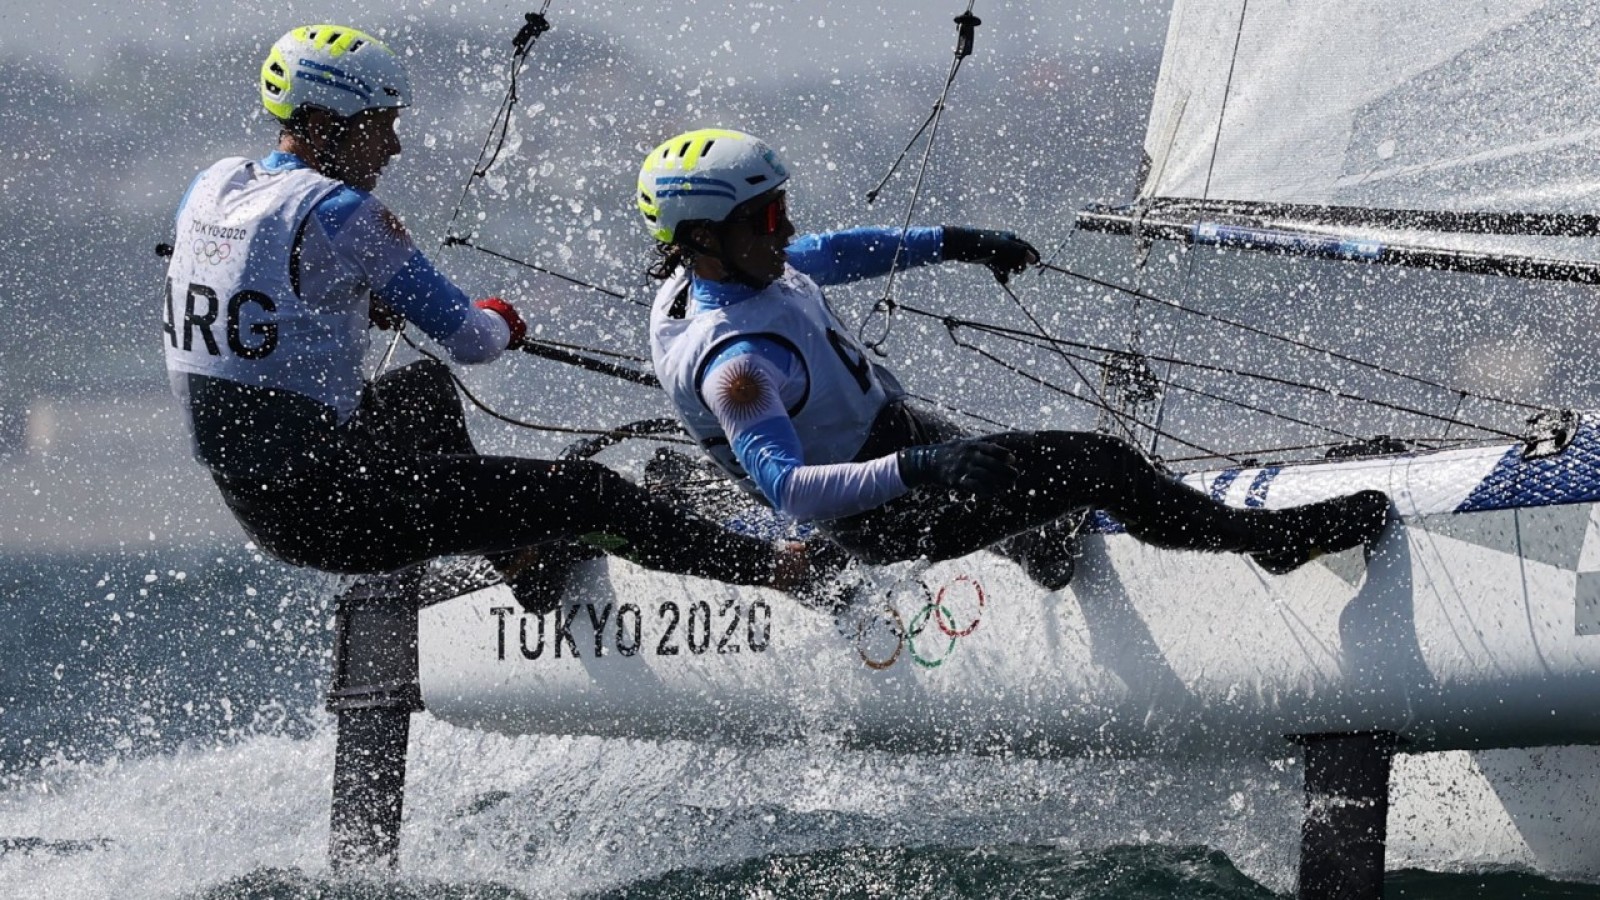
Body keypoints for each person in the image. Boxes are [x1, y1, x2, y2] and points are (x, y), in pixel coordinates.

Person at [161, 27, 836, 609]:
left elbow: (242, 288)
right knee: (588, 490)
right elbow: (472, 341)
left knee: (420, 391)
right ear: (327, 123)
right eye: (381, 124)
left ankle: (522, 565)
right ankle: (785, 571)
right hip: (336, 511)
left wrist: (350, 300)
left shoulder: (212, 185)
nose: (392, 147)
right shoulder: (344, 214)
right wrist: (499, 321)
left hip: (261, 501)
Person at [637, 128, 1390, 590]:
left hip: (899, 435)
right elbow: (791, 491)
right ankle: (1271, 544)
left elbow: (829, 252)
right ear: (702, 237)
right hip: (886, 512)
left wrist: (958, 242)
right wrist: (922, 470)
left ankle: (1042, 551)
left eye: (781, 205)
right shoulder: (737, 367)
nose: (787, 227)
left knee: (995, 465)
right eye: (769, 217)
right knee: (1100, 462)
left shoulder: (716, 274)